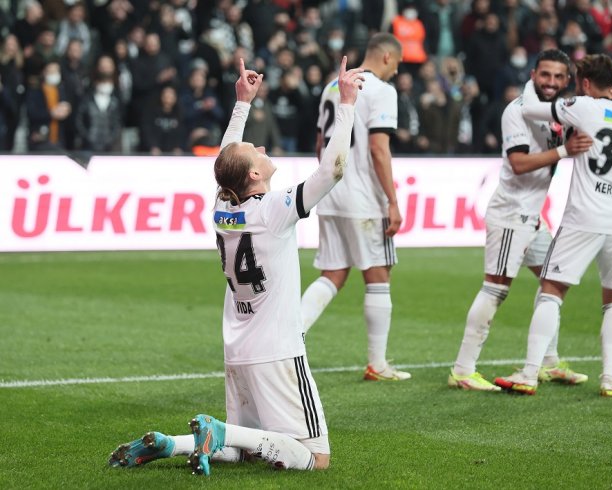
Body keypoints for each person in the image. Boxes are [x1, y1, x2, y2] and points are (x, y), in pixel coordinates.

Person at [109, 56, 364, 474]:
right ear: (252, 175)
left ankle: (171, 443)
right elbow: (333, 169)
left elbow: (225, 161)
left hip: (238, 349)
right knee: (316, 459)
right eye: (256, 151)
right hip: (277, 351)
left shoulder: (221, 208)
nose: (262, 148)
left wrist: (242, 104)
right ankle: (220, 432)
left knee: (245, 449)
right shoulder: (276, 209)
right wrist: (347, 104)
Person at [495, 54, 612, 397]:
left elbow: (531, 109)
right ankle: (610, 378)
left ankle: (531, 372)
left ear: (587, 83)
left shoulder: (585, 106)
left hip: (585, 215)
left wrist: (531, 80)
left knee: (551, 289)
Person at [448, 49, 593, 391]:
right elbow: (519, 163)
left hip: (533, 217)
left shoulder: (559, 110)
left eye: (559, 77)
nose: (551, 83)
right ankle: (462, 370)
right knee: (496, 289)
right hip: (512, 213)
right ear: (533, 74)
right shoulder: (517, 111)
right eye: (546, 75)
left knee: (552, 283)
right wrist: (563, 151)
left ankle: (549, 363)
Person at [300, 33, 410, 382]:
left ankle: (287, 340)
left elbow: (320, 143)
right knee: (378, 275)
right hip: (364, 197)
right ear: (389, 58)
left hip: (331, 192)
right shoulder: (382, 90)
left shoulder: (334, 85)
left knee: (333, 273)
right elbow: (379, 149)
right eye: (398, 64)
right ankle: (377, 364)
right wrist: (392, 200)